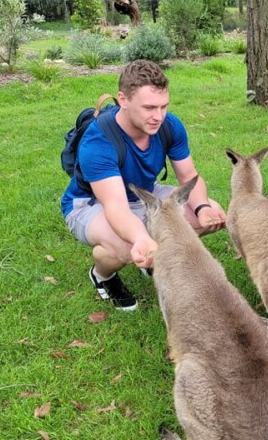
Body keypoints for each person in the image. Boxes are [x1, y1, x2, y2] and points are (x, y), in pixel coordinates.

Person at [61, 59, 226, 311]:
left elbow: (188, 175)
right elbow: (115, 206)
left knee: (208, 213)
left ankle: (151, 258)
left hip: (143, 193)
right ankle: (103, 275)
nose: (158, 116)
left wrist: (202, 208)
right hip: (90, 203)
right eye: (149, 107)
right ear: (123, 100)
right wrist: (141, 238)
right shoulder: (98, 142)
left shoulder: (170, 126)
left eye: (163, 106)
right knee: (126, 247)